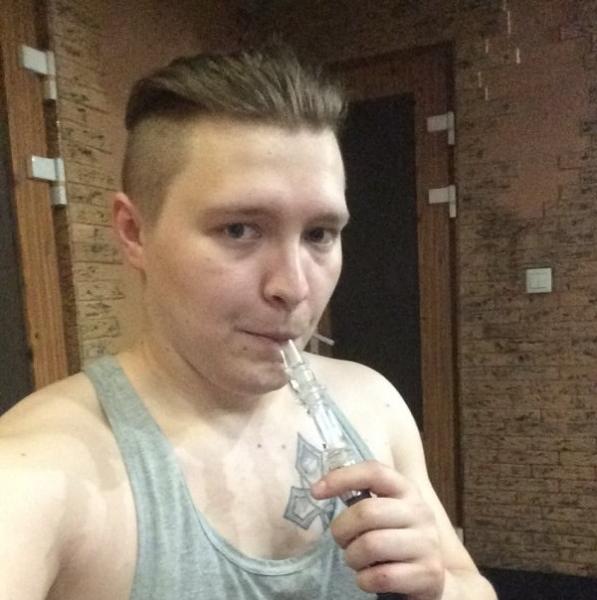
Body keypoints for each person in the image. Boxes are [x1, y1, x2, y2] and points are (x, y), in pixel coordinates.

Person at [0, 44, 496, 600]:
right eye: (239, 229)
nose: (294, 287)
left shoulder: (372, 406)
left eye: (319, 234)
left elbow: (470, 586)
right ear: (134, 233)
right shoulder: (40, 468)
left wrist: (438, 589)